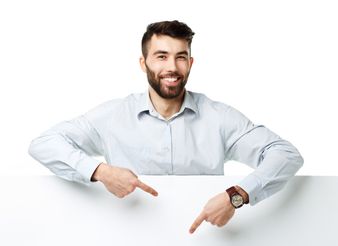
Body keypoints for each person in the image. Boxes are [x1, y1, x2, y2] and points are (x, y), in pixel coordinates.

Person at [28, 20, 304, 234]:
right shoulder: (113, 116)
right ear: (143, 62)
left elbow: (285, 154)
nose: (172, 67)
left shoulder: (218, 117)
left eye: (180, 57)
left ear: (190, 63)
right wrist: (101, 171)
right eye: (161, 56)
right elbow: (44, 144)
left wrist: (237, 196)